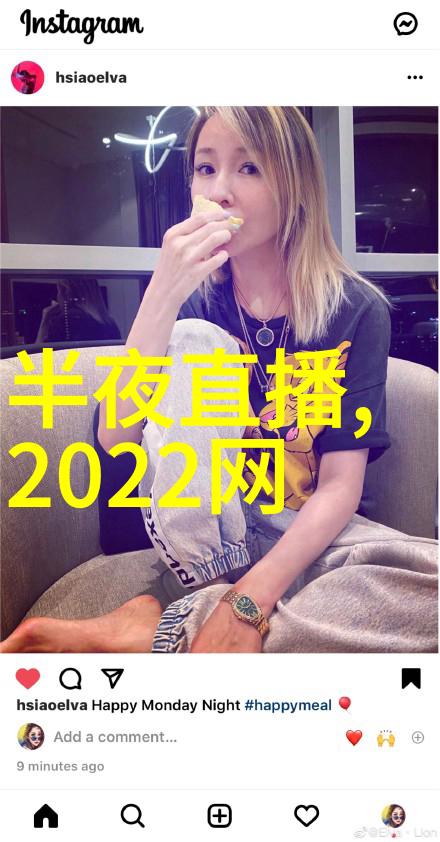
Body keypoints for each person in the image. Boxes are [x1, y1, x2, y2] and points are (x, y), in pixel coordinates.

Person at [1, 106, 437, 654]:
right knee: (194, 338)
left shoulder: (353, 308)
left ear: (295, 187)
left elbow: (339, 487)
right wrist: (163, 290)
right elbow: (115, 437)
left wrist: (247, 601)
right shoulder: (195, 300)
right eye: (205, 169)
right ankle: (214, 594)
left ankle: (162, 625)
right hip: (206, 534)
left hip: (306, 532)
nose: (219, 192)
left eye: (249, 168)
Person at [35, 278, 121, 344]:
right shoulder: (109, 323)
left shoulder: (65, 320)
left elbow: (43, 357)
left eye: (58, 291)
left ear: (66, 292)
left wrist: (45, 319)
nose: (58, 296)